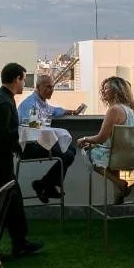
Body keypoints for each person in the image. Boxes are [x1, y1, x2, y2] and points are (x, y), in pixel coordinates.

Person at [0, 62, 43, 257]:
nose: (24, 84)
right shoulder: (6, 102)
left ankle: (14, 242)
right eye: (24, 79)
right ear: (16, 79)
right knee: (1, 201)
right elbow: (3, 134)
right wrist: (22, 136)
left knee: (0, 200)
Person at [77, 76, 134, 204]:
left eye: (106, 88)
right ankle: (121, 189)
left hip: (118, 157)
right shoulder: (131, 111)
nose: (103, 92)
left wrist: (84, 139)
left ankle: (120, 183)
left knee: (90, 154)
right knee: (96, 150)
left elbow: (101, 138)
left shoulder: (114, 110)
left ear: (115, 90)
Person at [17, 74, 82, 203]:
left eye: (52, 87)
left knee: (71, 150)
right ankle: (47, 185)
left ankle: (44, 184)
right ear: (38, 87)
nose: (51, 90)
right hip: (31, 146)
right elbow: (29, 126)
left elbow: (54, 110)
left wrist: (71, 111)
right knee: (67, 155)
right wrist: (42, 125)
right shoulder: (29, 103)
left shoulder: (42, 103)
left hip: (41, 142)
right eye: (47, 87)